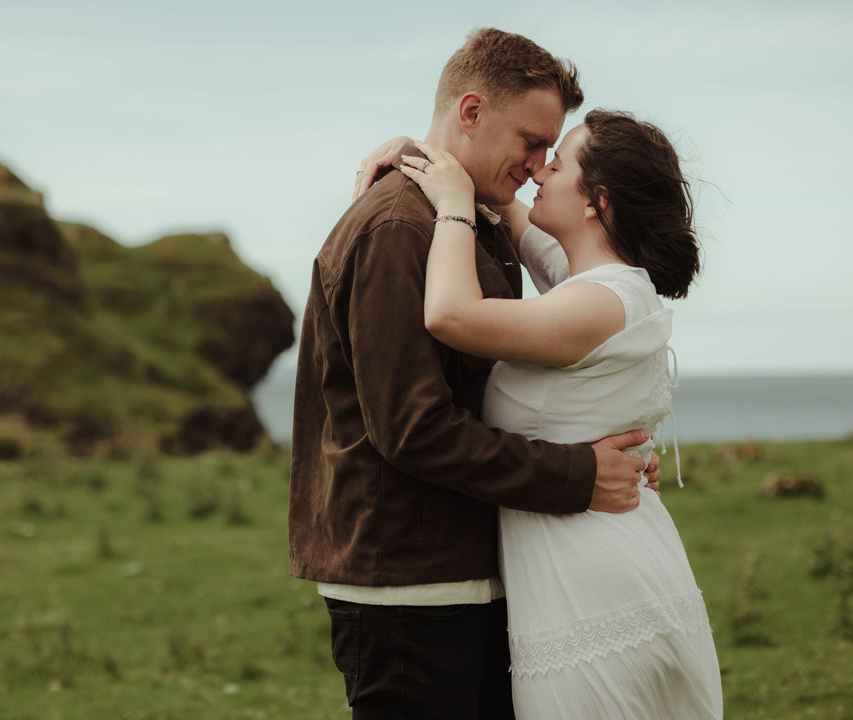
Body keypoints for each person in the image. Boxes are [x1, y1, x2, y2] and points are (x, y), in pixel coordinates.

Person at [289, 29, 662, 719]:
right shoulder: (401, 227)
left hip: (464, 568)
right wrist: (578, 475)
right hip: (411, 582)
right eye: (529, 141)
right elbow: (414, 429)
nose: (537, 164)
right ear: (469, 112)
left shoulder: (472, 217)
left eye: (550, 149)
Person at [359, 109, 724, 717]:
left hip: (595, 589)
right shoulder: (595, 283)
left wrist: (451, 207)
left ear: (595, 202)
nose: (537, 174)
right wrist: (420, 151)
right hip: (580, 573)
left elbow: (450, 313)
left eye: (556, 165)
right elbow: (507, 206)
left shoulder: (600, 301)